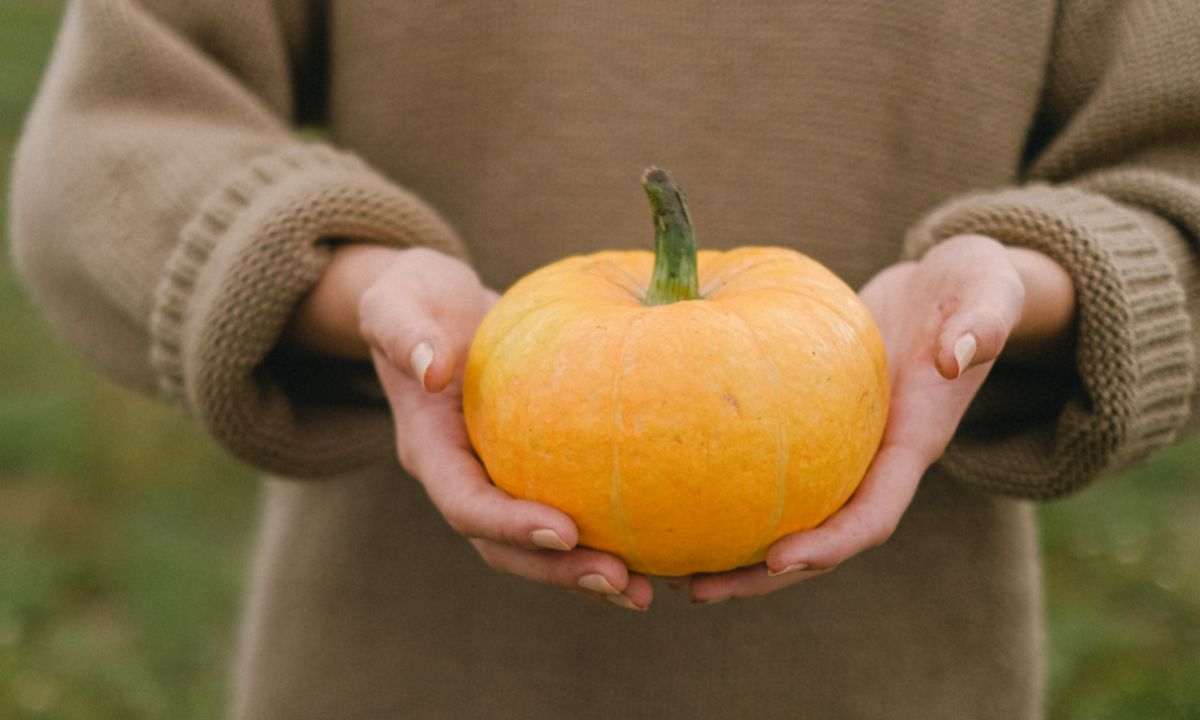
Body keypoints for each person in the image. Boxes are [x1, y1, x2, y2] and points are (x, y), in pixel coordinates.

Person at [9, 0, 1198, 718]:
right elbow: (112, 144)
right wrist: (354, 287)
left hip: (892, 678)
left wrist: (1025, 288)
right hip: (405, 665)